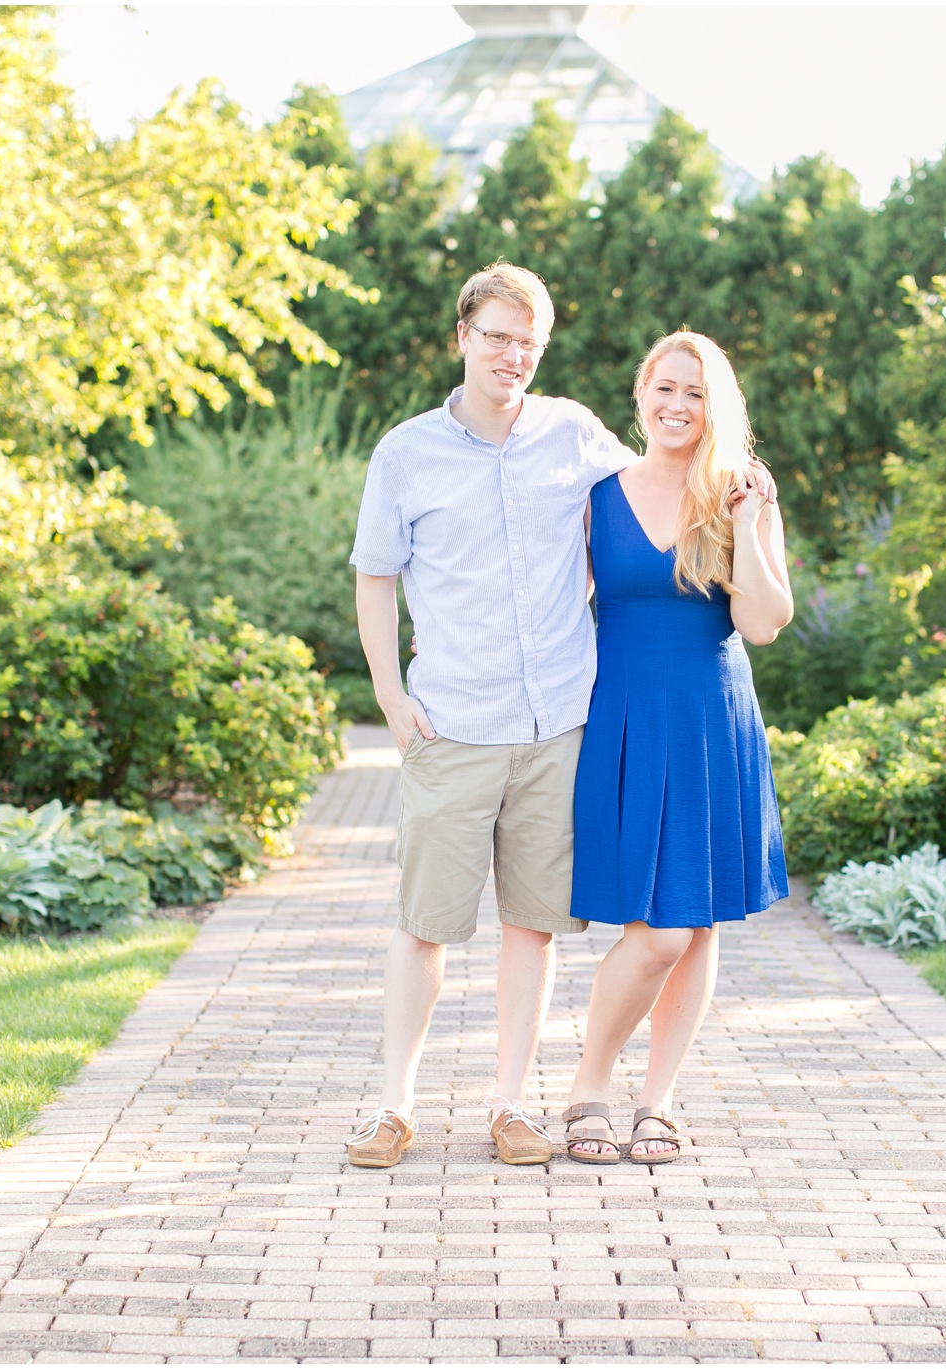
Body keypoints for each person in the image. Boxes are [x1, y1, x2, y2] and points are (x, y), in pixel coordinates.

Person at [345, 262, 637, 1168]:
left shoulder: (574, 433)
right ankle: (393, 1107)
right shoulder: (405, 452)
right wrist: (392, 697)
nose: (513, 354)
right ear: (462, 335)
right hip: (453, 724)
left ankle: (512, 1104)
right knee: (426, 924)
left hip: (556, 724)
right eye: (498, 335)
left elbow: (650, 499)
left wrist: (742, 483)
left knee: (532, 925)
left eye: (529, 340)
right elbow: (374, 576)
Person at [560, 330, 794, 1164]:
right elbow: (552, 610)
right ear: (640, 394)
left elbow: (763, 622)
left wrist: (752, 518)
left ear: (714, 406)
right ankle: (589, 1084)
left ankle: (655, 1099)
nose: (675, 405)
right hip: (623, 716)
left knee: (694, 925)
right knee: (656, 928)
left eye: (694, 393)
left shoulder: (735, 495)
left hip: (710, 719)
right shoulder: (599, 494)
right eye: (664, 388)